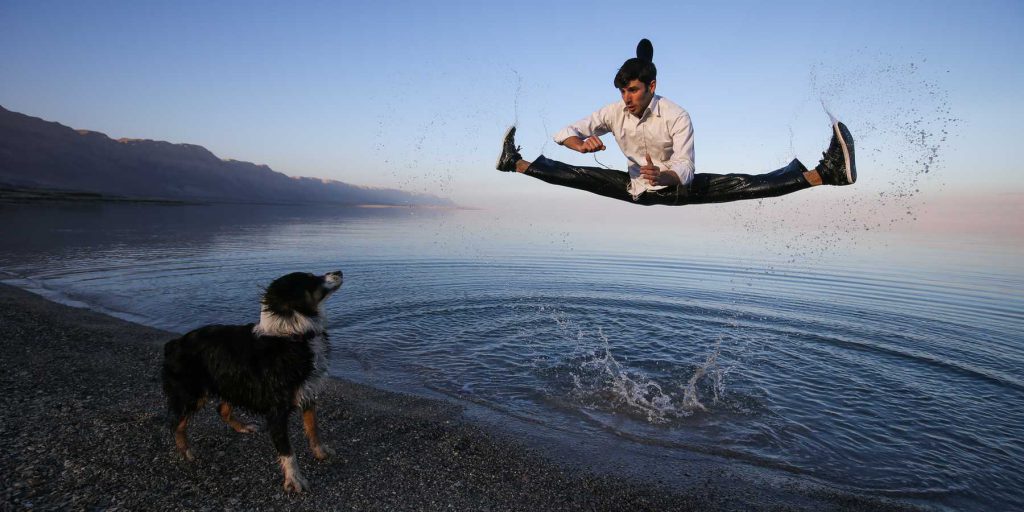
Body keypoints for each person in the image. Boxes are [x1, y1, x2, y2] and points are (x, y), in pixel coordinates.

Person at [495, 39, 855, 206]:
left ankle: (826, 174)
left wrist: (666, 175)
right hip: (635, 186)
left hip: (676, 188)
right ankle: (514, 162)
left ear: (652, 87)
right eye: (622, 92)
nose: (627, 99)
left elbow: (685, 165)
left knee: (743, 184)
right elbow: (566, 132)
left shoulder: (677, 115)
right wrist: (579, 144)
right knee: (577, 177)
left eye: (633, 91)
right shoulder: (613, 112)